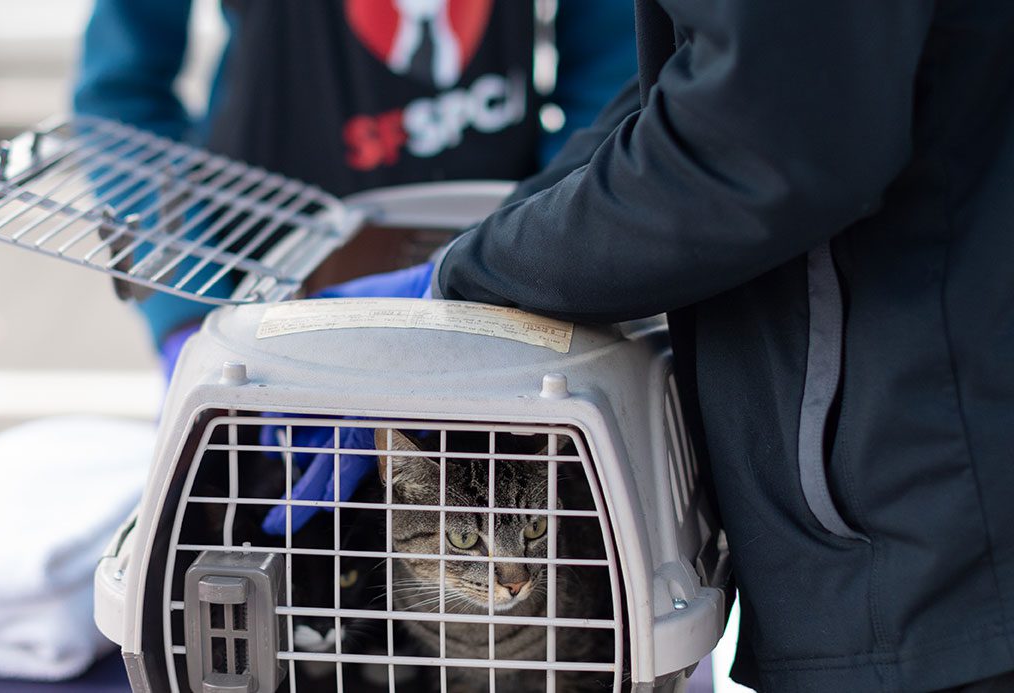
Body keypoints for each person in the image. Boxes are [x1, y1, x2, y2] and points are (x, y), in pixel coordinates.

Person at [410, 1, 1014, 691]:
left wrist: (475, 269)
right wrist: (495, 238)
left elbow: (762, 139)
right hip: (911, 511)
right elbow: (692, 75)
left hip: (930, 522)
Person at [72, 0, 637, 354]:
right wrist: (191, 314)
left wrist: (548, 241)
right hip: (263, 289)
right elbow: (121, 96)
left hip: (506, 294)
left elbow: (613, 71)